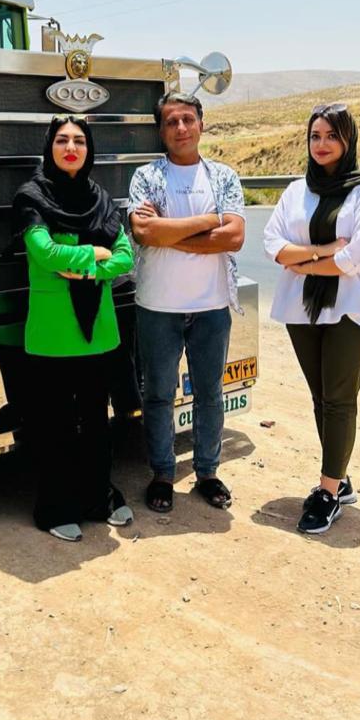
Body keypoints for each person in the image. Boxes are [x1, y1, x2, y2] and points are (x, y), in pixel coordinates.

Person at [262, 103, 360, 534]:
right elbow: (273, 243)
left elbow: (358, 256)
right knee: (321, 397)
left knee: (339, 398)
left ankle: (327, 492)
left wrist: (303, 264)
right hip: (303, 308)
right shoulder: (294, 191)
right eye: (315, 136)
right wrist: (322, 253)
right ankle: (339, 477)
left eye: (331, 136)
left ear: (348, 139)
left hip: (352, 308)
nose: (321, 145)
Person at [12, 115, 135, 541]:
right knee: (56, 426)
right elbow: (43, 253)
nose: (71, 147)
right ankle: (55, 508)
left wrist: (81, 266)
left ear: (89, 149)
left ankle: (99, 497)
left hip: (97, 331)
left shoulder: (100, 198)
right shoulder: (31, 196)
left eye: (79, 141)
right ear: (50, 146)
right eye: (62, 140)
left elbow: (124, 258)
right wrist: (95, 255)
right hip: (53, 333)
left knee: (97, 423)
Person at [128, 92, 246, 514]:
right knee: (158, 393)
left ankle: (207, 472)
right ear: (161, 130)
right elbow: (145, 234)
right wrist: (210, 221)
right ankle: (162, 474)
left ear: (201, 124)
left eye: (188, 120)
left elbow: (234, 238)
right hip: (158, 306)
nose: (181, 128)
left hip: (212, 305)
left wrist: (171, 231)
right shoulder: (145, 176)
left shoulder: (224, 177)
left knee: (210, 393)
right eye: (172, 121)